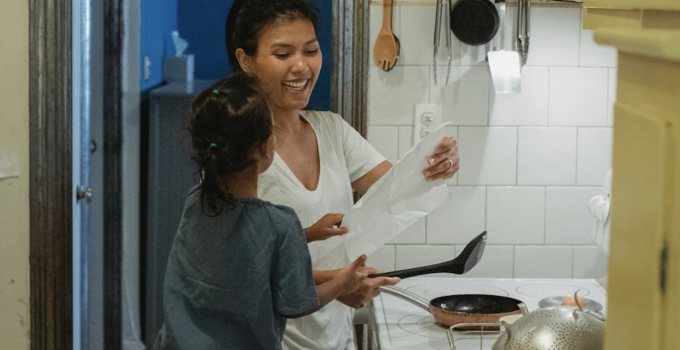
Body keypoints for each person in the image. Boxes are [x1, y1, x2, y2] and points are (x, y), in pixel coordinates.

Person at [225, 0, 460, 348]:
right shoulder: (239, 149)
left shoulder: (332, 130)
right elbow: (243, 264)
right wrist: (339, 282)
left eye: (311, 50)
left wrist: (437, 164)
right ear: (247, 61)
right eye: (282, 54)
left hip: (331, 337)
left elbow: (396, 189)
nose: (301, 66)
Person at [153, 73, 370, 350]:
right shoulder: (279, 222)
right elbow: (296, 303)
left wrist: (307, 234)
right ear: (267, 148)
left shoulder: (196, 201)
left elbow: (241, 246)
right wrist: (343, 283)